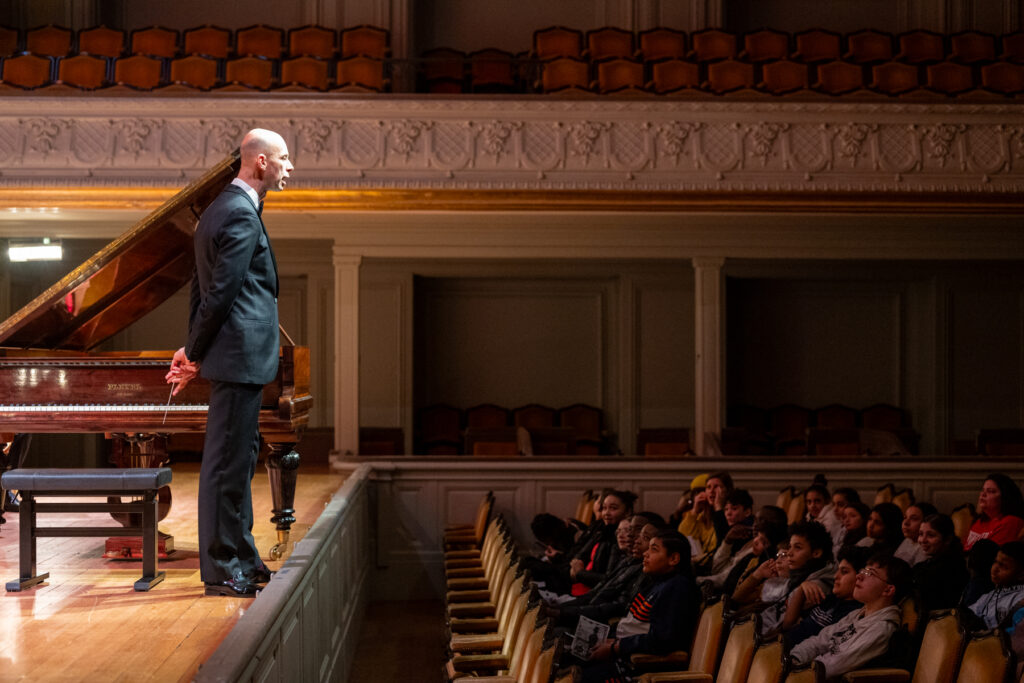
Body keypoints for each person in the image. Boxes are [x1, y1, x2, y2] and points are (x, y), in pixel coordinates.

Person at [165, 128, 293, 597]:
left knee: (236, 463)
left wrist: (191, 349)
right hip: (240, 358)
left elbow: (201, 288)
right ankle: (223, 569)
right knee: (225, 466)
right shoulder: (239, 214)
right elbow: (220, 294)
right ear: (259, 162)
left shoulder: (219, 209)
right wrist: (195, 353)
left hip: (235, 356)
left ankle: (242, 555)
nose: (289, 167)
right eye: (283, 158)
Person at [579, 531, 700, 683]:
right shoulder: (659, 583)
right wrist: (612, 640)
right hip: (622, 650)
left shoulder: (678, 588)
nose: (645, 554)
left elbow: (662, 640)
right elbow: (635, 624)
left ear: (673, 559)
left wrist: (616, 647)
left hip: (635, 666)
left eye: (654, 549)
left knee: (575, 677)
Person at [790, 554, 913, 679]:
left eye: (870, 573)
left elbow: (834, 666)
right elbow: (820, 640)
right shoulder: (857, 614)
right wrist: (793, 659)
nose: (859, 576)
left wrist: (797, 671)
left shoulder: (881, 629)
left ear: (888, 590)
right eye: (862, 571)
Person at [913, 513, 969, 617]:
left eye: (931, 535)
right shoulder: (923, 566)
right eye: (921, 534)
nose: (923, 540)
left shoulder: (952, 569)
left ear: (947, 539)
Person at [966, 541, 1024, 630]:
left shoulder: (1020, 599)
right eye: (995, 562)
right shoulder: (990, 595)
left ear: (1021, 574)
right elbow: (968, 614)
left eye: (1003, 566)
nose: (995, 568)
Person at [965, 474, 1024, 551]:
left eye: (991, 491)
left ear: (1005, 497)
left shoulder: (1011, 522)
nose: (983, 494)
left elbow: (989, 555)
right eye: (983, 490)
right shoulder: (979, 521)